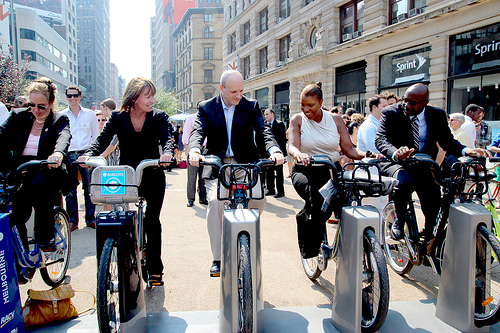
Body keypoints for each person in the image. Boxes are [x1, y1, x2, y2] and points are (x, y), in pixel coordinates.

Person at [188, 70, 284, 277]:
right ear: (221, 89)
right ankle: (218, 257)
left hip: (245, 163)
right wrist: (195, 150)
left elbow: (263, 130)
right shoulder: (206, 107)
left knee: (258, 198)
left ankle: (246, 239)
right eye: (233, 91)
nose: (238, 96)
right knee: (215, 203)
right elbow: (197, 132)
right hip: (218, 165)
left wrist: (274, 150)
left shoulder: (251, 106)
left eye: (241, 90)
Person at [79, 77, 173, 284]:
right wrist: (89, 155)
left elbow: (168, 140)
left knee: (152, 221)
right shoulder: (118, 118)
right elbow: (101, 141)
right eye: (147, 96)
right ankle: (123, 256)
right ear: (134, 97)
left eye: (153, 96)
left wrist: (167, 154)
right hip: (127, 176)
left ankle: (155, 268)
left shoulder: (158, 117)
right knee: (121, 217)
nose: (152, 100)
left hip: (152, 172)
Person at [375, 83, 488, 250]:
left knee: (434, 202)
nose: (407, 105)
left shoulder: (437, 115)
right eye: (405, 100)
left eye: (413, 102)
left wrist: (466, 150)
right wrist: (396, 152)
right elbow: (380, 140)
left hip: (424, 163)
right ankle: (399, 217)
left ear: (424, 103)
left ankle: (428, 238)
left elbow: (447, 141)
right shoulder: (391, 112)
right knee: (404, 182)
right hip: (396, 162)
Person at [288, 82, 369, 258]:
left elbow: (349, 149)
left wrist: (367, 154)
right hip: (305, 170)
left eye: (310, 105)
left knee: (345, 200)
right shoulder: (297, 119)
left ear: (321, 102)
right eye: (302, 105)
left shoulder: (335, 120)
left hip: (331, 170)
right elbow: (292, 146)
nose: (305, 109)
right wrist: (300, 155)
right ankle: (310, 245)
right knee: (316, 201)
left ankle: (353, 247)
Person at [0, 77, 78, 252]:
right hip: (21, 169)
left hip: (47, 167)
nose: (36, 110)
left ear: (51, 102)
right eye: (32, 105)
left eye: (41, 106)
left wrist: (57, 154)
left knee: (39, 189)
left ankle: (46, 238)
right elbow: (1, 134)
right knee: (16, 206)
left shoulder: (59, 119)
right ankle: (20, 252)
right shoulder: (18, 116)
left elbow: (63, 137)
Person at [61, 86, 99, 231]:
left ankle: (90, 219)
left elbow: (96, 136)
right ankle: (72, 221)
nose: (72, 98)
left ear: (80, 96)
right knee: (70, 190)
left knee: (89, 188)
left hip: (86, 154)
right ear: (66, 97)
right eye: (69, 96)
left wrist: (93, 154)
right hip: (69, 153)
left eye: (75, 95)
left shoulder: (90, 114)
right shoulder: (62, 115)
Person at [182, 112, 207, 207]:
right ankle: (191, 198)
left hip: (206, 149)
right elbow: (186, 135)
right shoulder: (191, 118)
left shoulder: (208, 116)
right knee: (192, 176)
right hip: (193, 148)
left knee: (204, 175)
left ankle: (203, 197)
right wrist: (187, 149)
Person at [263, 108, 287, 198]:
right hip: (269, 154)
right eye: (265, 114)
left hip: (278, 153)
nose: (265, 116)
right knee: (269, 172)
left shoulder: (279, 124)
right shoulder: (265, 125)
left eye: (267, 114)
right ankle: (271, 189)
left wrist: (280, 152)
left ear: (272, 114)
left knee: (279, 173)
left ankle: (281, 191)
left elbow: (282, 140)